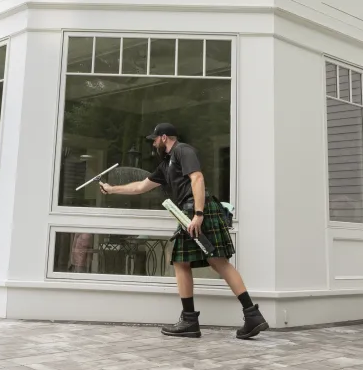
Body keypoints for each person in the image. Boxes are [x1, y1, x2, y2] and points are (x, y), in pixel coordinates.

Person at [100, 123, 268, 340]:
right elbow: (141, 187)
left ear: (163, 137)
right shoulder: (166, 164)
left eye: (154, 139)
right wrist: (112, 189)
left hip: (196, 209)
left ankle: (190, 320)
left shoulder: (182, 150)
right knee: (216, 262)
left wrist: (198, 214)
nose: (153, 143)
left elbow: (197, 178)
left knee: (190, 262)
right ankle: (251, 315)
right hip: (192, 210)